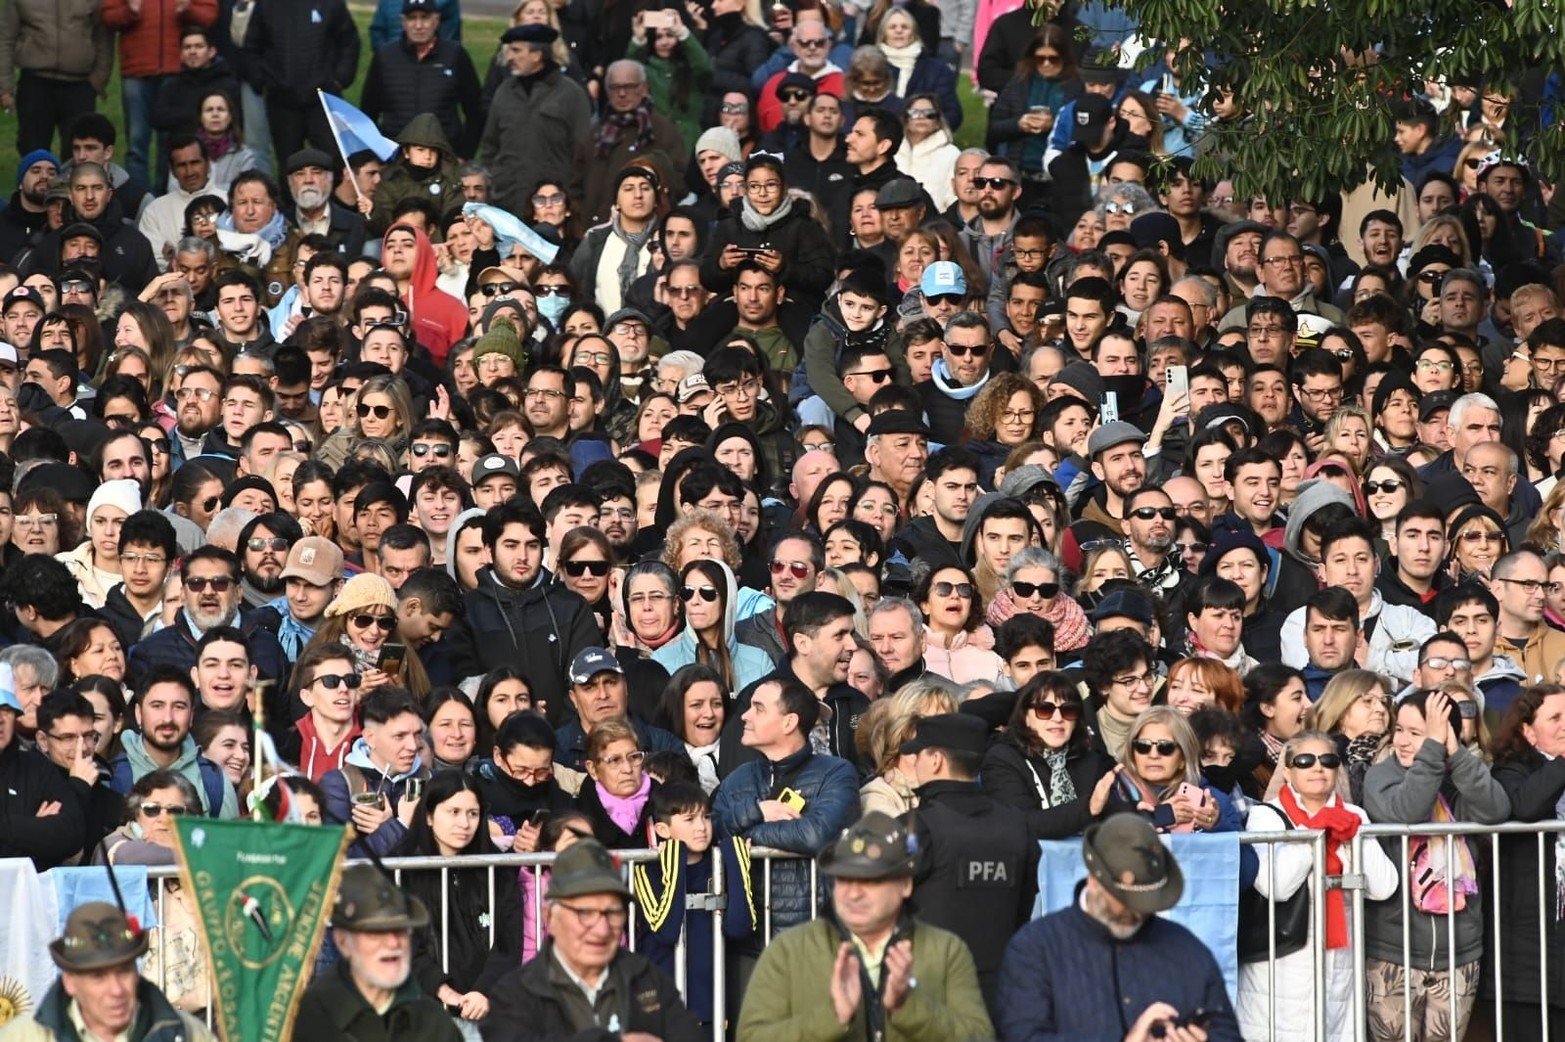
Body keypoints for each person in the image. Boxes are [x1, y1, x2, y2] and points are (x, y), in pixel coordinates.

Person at [738, 808, 994, 1042]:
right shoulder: (789, 950)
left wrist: (908, 1007)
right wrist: (833, 1017)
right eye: (844, 880)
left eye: (870, 881)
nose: (853, 894)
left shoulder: (947, 950)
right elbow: (751, 1037)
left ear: (905, 885)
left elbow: (980, 1037)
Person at [996, 812, 1242, 1041]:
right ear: (1094, 881)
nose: (1136, 912)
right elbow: (1024, 1035)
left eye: (1146, 902)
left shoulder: (1186, 948)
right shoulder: (1036, 949)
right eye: (1125, 902)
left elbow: (1226, 1031)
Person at [1362, 688, 1510, 1042]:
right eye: (1400, 729)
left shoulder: (1459, 782)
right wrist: (1433, 747)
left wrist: (1454, 752)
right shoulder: (1380, 777)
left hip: (1459, 951)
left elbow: (1496, 809)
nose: (1403, 740)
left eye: (1417, 732)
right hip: (1392, 951)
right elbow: (1408, 810)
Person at [1237, 731, 1398, 1042]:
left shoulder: (1353, 816)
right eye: (1305, 761)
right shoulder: (1265, 816)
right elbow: (1276, 886)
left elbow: (1384, 886)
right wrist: (1317, 832)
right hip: (1279, 964)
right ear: (1287, 771)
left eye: (1328, 760)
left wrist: (1349, 837)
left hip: (1338, 962)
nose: (1317, 768)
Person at [480, 838, 705, 1042]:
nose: (601, 929)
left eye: (613, 912)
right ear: (550, 916)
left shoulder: (645, 977)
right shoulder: (516, 994)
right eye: (585, 913)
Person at [903, 713, 1037, 1017]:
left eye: (918, 755)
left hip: (925, 997)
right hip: (997, 996)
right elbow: (1022, 910)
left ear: (935, 760)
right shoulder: (1017, 825)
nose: (915, 763)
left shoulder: (915, 828)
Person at [712, 675, 859, 933]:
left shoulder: (835, 773)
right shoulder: (736, 780)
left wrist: (748, 834)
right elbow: (710, 832)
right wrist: (757, 811)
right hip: (749, 940)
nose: (745, 716)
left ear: (789, 722)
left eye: (758, 708)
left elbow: (815, 835)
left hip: (814, 936)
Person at [0, 900, 215, 1042]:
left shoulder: (188, 1034)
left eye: (124, 972)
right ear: (69, 981)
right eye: (98, 977)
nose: (116, 990)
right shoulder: (23, 1037)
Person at [296, 863, 462, 1042]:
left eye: (401, 929)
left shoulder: (433, 1022)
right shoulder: (306, 1018)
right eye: (376, 932)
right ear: (342, 941)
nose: (392, 942)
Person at [1483, 684, 1565, 1042]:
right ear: (1527, 731)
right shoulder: (1510, 771)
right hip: (1528, 959)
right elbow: (1526, 807)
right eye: (1557, 718)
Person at [0, 669, 86, 869]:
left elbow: (71, 834)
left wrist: (9, 832)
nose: (1, 719)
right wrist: (35, 831)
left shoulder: (37, 767)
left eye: (6, 709)